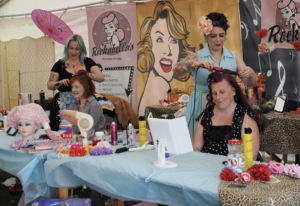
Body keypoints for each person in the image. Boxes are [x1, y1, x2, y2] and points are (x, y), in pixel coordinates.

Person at [173, 12, 258, 140]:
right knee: (197, 143)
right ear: (206, 36)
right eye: (213, 36)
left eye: (221, 35)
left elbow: (250, 83)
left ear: (226, 36)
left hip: (226, 105)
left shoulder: (233, 56)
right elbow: (176, 69)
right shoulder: (198, 55)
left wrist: (250, 73)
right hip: (201, 104)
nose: (218, 40)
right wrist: (197, 63)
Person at [137, 1, 195, 116]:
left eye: (173, 41)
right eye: (159, 39)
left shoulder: (160, 82)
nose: (167, 51)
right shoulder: (159, 82)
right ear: (148, 45)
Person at [192, 70, 264, 161]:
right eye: (214, 93)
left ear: (234, 91)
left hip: (237, 169)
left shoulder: (245, 118)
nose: (218, 97)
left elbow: (251, 157)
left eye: (222, 92)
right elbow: (195, 148)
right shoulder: (207, 115)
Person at [47, 34, 104, 130]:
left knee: (85, 125)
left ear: (81, 49)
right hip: (64, 101)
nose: (73, 51)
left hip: (84, 99)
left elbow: (101, 77)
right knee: (65, 128)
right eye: (71, 48)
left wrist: (87, 74)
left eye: (77, 49)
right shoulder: (59, 64)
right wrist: (59, 83)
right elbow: (49, 84)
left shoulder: (88, 62)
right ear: (66, 49)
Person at [61, 70, 104, 134]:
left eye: (76, 87)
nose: (73, 90)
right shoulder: (73, 105)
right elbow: (67, 125)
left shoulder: (94, 105)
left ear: (86, 87)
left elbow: (90, 128)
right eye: (72, 87)